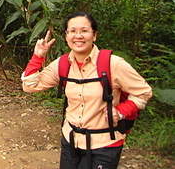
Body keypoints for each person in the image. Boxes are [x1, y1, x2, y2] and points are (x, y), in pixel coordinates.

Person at [21, 12, 152, 169]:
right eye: (73, 31)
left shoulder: (113, 64)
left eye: (84, 31)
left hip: (104, 144)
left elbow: (144, 91)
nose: (78, 36)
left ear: (94, 35)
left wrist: (122, 111)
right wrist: (37, 57)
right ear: (66, 35)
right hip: (71, 141)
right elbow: (30, 86)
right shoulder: (63, 64)